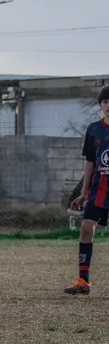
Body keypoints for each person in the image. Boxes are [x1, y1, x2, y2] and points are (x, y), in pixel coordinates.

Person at [65, 85, 109, 295]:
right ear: (101, 105)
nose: (108, 105)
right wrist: (83, 192)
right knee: (86, 227)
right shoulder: (94, 129)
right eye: (105, 101)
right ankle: (83, 281)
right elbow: (90, 162)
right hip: (99, 189)